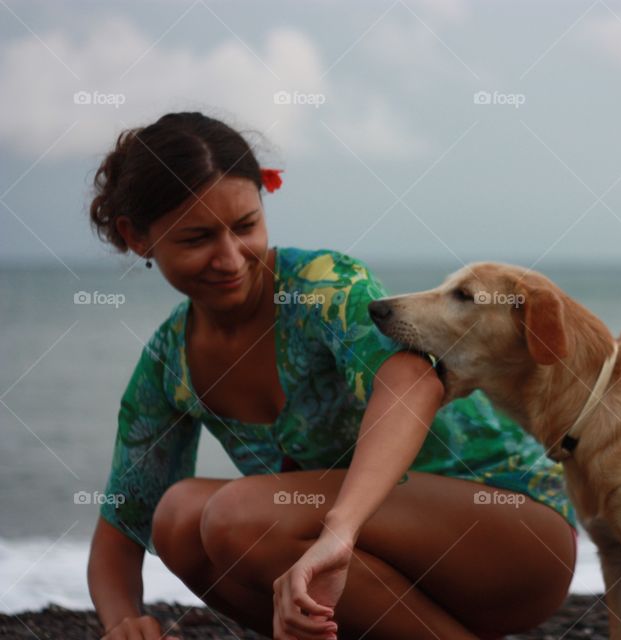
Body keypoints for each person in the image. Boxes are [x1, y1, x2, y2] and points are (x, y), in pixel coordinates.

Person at [85, 111, 578, 640]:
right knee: (178, 517)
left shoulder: (321, 285)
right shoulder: (169, 361)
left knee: (235, 515)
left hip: (512, 533)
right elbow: (123, 521)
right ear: (137, 237)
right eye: (197, 238)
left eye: (245, 226)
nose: (229, 258)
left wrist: (341, 528)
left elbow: (411, 381)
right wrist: (123, 623)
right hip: (392, 582)